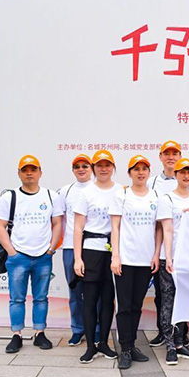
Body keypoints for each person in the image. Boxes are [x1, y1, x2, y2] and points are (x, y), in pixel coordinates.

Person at [0, 155, 64, 354]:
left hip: (43, 257)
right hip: (18, 257)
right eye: (25, 170)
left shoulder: (51, 196)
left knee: (41, 298)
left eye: (33, 169)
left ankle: (39, 333)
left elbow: (57, 223)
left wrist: (50, 249)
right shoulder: (10, 197)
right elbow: (0, 225)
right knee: (17, 298)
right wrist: (12, 252)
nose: (29, 173)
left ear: (40, 172)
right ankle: (16, 335)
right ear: (19, 174)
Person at [109, 155, 160, 370]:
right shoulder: (122, 195)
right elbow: (115, 227)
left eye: (144, 169)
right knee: (124, 306)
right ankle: (125, 349)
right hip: (126, 260)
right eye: (136, 169)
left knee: (137, 306)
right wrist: (116, 256)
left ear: (149, 172)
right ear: (129, 173)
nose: (140, 173)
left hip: (146, 260)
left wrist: (156, 254)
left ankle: (132, 345)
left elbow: (159, 228)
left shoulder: (156, 196)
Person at [72, 150, 120, 363]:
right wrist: (78, 258)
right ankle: (90, 345)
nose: (103, 169)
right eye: (99, 165)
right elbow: (77, 228)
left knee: (108, 300)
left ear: (113, 168)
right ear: (93, 168)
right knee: (89, 300)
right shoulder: (86, 193)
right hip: (91, 250)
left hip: (114, 252)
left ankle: (104, 343)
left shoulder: (121, 191)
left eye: (107, 165)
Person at [157, 157, 189, 365]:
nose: (186, 176)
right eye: (182, 172)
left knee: (183, 301)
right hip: (171, 258)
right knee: (168, 301)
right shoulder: (167, 199)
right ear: (175, 174)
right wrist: (168, 257)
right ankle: (170, 346)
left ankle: (180, 343)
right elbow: (167, 229)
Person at [148, 140, 182, 347]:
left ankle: (179, 335)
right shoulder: (152, 183)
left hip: (181, 249)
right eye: (167, 154)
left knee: (180, 294)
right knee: (161, 293)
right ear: (160, 157)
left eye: (174, 154)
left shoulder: (188, 181)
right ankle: (163, 331)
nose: (171, 157)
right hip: (156, 246)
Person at [58, 154, 93, 346]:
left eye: (85, 166)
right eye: (77, 166)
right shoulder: (66, 191)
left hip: (94, 248)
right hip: (70, 247)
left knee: (95, 292)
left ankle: (96, 330)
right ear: (73, 170)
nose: (81, 169)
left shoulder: (98, 188)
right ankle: (78, 329)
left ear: (91, 168)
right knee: (75, 292)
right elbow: (59, 219)